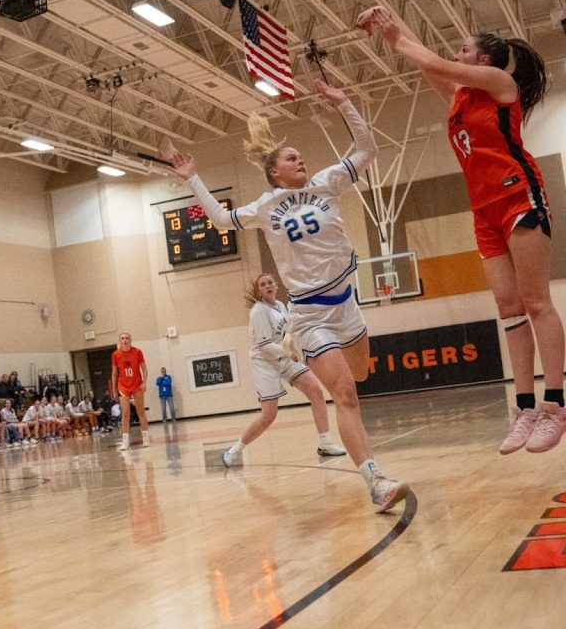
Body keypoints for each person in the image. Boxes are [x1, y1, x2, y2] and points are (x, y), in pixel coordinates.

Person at [168, 80, 408, 512]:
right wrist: (194, 179)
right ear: (275, 171)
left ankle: (369, 466)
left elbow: (368, 149)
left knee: (362, 374)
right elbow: (222, 220)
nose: (302, 160)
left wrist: (345, 103)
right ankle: (375, 480)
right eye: (292, 157)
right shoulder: (264, 206)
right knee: (346, 395)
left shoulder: (326, 182)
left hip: (347, 305)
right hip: (310, 315)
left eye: (301, 156)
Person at [357, 7, 566, 456]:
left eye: (464, 49)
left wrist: (396, 36)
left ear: (485, 61)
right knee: (508, 307)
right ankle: (526, 408)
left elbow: (433, 62)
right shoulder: (461, 98)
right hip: (483, 209)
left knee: (536, 302)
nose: (457, 54)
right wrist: (394, 25)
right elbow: (428, 65)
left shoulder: (500, 85)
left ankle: (556, 406)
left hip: (518, 194)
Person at [221, 273, 348, 467]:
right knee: (269, 415)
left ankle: (325, 443)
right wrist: (290, 353)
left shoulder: (281, 306)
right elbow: (264, 345)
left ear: (276, 285)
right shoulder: (258, 311)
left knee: (315, 391)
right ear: (259, 290)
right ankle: (234, 450)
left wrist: (299, 351)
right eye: (262, 284)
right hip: (264, 362)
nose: (267, 286)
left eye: (270, 282)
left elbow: (289, 336)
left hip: (284, 357)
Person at [112, 334, 150, 451]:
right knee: (125, 414)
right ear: (120, 341)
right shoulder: (115, 354)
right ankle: (125, 442)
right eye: (122, 338)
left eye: (127, 338)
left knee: (141, 412)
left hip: (137, 385)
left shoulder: (137, 352)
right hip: (123, 387)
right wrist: (114, 389)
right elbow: (114, 373)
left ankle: (146, 438)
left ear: (130, 340)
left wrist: (144, 382)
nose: (125, 340)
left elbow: (144, 369)